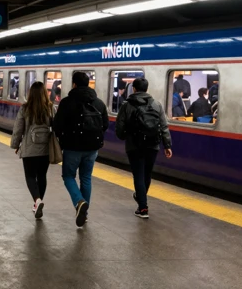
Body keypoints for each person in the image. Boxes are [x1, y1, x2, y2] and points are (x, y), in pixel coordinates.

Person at [53, 71, 108, 227]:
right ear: (89, 83)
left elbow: (57, 126)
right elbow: (105, 125)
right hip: (92, 148)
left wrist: (63, 138)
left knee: (68, 176)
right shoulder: (99, 103)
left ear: (74, 84)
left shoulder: (66, 102)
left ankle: (79, 202)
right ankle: (85, 213)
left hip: (72, 147)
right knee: (86, 178)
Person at [115, 77, 173, 219]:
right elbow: (163, 126)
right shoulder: (156, 104)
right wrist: (167, 145)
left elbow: (120, 126)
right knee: (147, 174)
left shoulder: (126, 105)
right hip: (153, 145)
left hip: (134, 145)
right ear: (147, 89)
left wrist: (124, 136)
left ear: (133, 89)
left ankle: (143, 208)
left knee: (138, 175)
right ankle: (141, 198)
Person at [10, 81, 53, 220]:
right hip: (45, 150)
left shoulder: (25, 108)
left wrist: (15, 145)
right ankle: (37, 203)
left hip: (29, 149)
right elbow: (56, 127)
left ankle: (37, 200)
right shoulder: (50, 108)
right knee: (42, 176)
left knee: (30, 176)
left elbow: (18, 129)